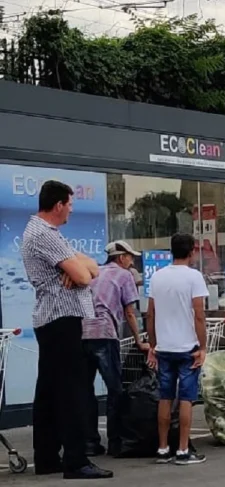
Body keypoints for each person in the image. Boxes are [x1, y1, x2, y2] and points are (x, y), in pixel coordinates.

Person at [20, 180, 112, 479]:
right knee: (71, 390)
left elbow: (92, 267)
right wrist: (77, 269)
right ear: (58, 205)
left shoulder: (45, 233)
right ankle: (76, 460)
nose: (71, 209)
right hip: (61, 318)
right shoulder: (45, 234)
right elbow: (85, 277)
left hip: (51, 319)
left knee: (48, 390)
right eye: (70, 204)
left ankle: (46, 456)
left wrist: (77, 267)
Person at [145, 233, 209, 466]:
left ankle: (162, 448)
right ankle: (182, 449)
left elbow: (150, 314)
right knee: (186, 398)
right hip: (187, 347)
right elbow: (199, 315)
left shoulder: (158, 277)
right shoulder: (194, 277)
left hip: (164, 347)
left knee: (165, 396)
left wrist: (153, 344)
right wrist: (203, 346)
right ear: (191, 251)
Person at [83, 240, 148, 458]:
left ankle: (90, 442)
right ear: (121, 258)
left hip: (82, 333)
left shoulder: (95, 272)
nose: (132, 261)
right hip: (104, 333)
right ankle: (115, 442)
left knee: (85, 390)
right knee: (115, 389)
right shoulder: (124, 275)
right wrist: (139, 340)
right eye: (130, 257)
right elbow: (130, 311)